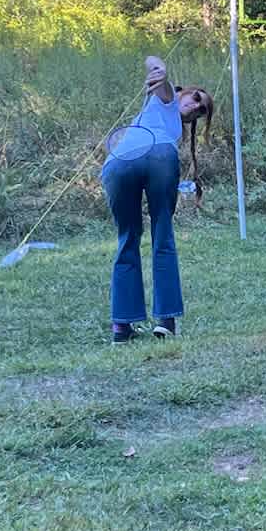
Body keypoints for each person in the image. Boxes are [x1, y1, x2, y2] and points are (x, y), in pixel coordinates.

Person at [102, 55, 216, 343]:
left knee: (127, 237)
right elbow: (156, 69)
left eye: (201, 111)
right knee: (162, 234)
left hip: (117, 165)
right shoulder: (166, 97)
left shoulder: (173, 124)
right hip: (157, 158)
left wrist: (159, 74)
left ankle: (121, 326)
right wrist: (159, 70)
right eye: (196, 98)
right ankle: (165, 319)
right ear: (185, 91)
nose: (196, 107)